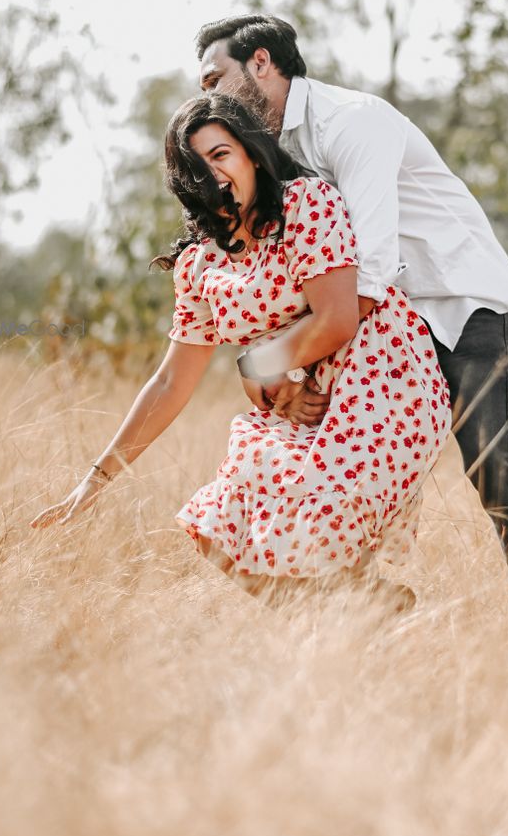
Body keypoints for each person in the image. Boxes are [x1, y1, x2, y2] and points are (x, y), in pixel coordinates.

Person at [193, 14, 508, 629]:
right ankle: (359, 604)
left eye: (217, 78)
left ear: (261, 62)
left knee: (491, 459)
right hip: (388, 323)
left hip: (458, 300)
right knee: (325, 458)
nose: (210, 98)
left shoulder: (352, 121)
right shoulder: (273, 155)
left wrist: (274, 362)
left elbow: (366, 274)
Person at [30, 95, 451, 613]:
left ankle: (362, 616)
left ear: (251, 153)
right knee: (220, 527)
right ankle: (373, 612)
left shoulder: (305, 204)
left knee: (309, 516)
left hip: (383, 382)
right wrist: (92, 485)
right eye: (196, 166)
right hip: (301, 404)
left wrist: (256, 366)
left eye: (221, 153)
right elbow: (169, 383)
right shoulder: (201, 265)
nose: (213, 173)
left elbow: (338, 318)